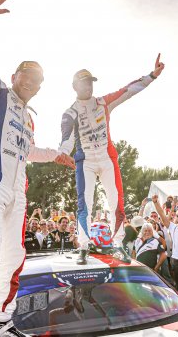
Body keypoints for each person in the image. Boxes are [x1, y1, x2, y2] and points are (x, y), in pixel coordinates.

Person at [0, 0, 75, 335]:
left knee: (15, 258)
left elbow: (29, 151)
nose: (33, 82)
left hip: (17, 191)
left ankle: (4, 320)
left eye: (39, 80)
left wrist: (56, 155)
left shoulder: (29, 118)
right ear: (15, 75)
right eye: (28, 75)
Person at [58, 55, 165, 265]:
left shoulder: (103, 102)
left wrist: (152, 76)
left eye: (90, 82)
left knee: (117, 204)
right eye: (84, 83)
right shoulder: (70, 112)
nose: (88, 86)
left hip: (107, 159)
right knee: (84, 204)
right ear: (74, 86)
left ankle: (117, 245)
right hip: (85, 162)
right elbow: (66, 138)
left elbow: (128, 90)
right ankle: (84, 246)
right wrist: (62, 153)